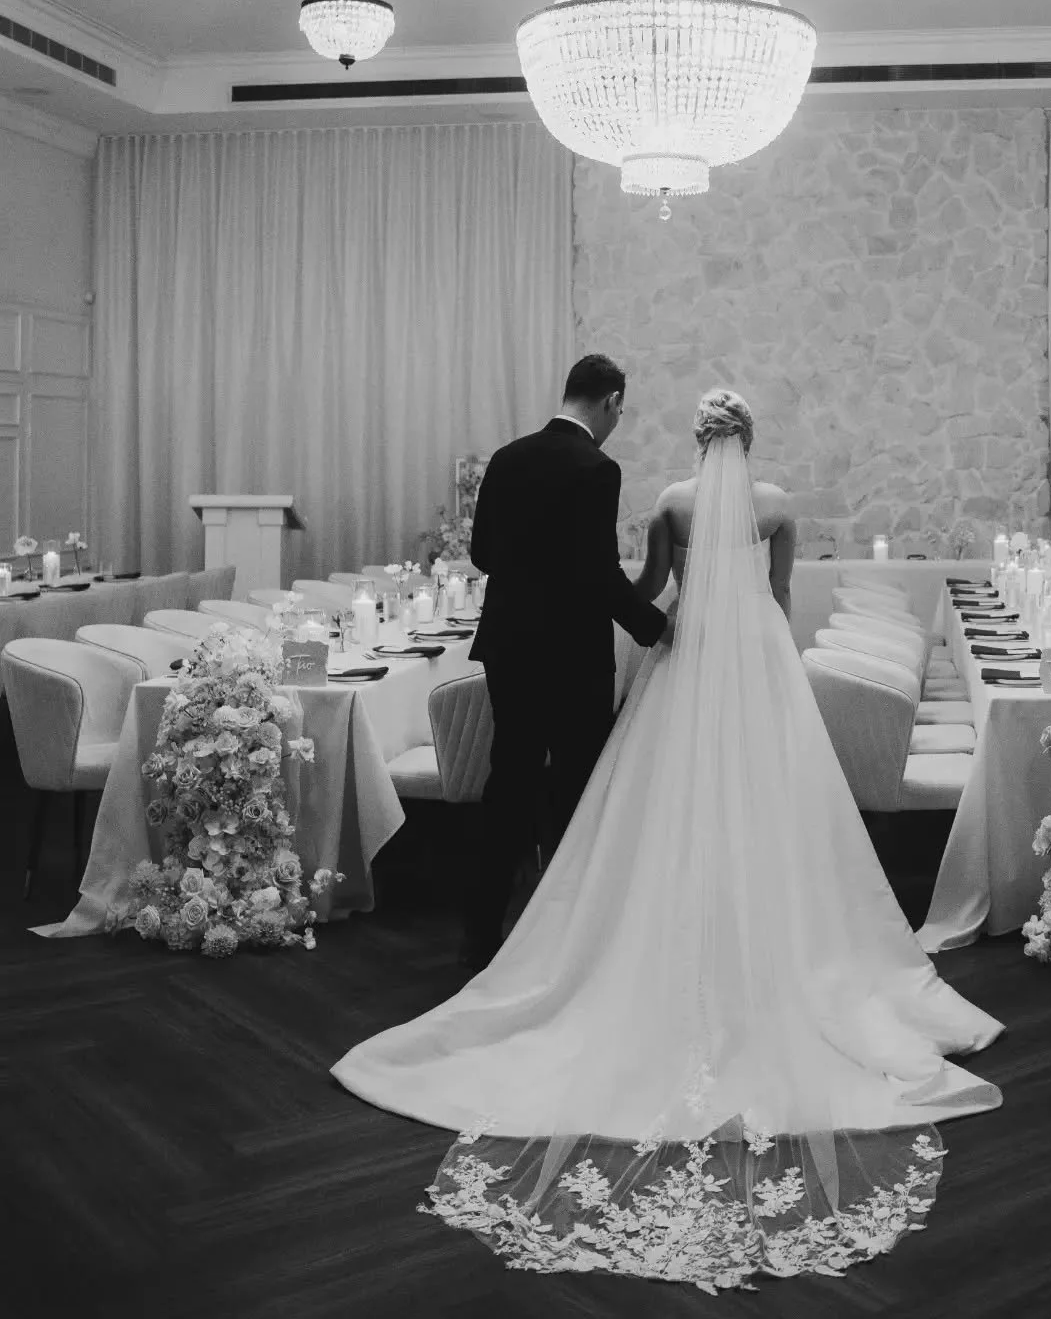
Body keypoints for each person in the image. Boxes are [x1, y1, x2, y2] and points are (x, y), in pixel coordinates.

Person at [333, 388, 1003, 1290]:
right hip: (759, 659)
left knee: (648, 799)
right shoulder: (775, 509)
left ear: (697, 440)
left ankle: (627, 928)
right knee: (774, 800)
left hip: (683, 656)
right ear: (750, 438)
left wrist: (658, 619)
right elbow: (775, 596)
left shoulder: (671, 504)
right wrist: (747, 629)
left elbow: (649, 589)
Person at [459, 353, 667, 969]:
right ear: (608, 402)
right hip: (570, 656)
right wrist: (656, 628)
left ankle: (482, 932)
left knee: (510, 779)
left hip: (508, 645)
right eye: (620, 413)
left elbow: (484, 554)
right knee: (576, 785)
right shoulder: (596, 469)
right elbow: (599, 574)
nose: (616, 424)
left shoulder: (506, 457)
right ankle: (564, 929)